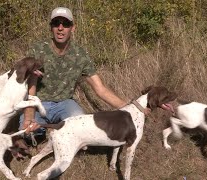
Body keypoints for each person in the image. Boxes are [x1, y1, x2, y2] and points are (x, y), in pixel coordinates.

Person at [20, 7, 127, 137]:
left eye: (65, 24)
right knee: (28, 133)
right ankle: (41, 129)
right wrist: (29, 115)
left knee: (81, 128)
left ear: (72, 28)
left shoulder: (80, 55)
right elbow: (30, 85)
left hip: (65, 103)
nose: (60, 28)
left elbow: (100, 89)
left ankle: (60, 129)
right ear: (51, 28)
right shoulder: (37, 50)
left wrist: (129, 107)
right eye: (56, 23)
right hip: (38, 103)